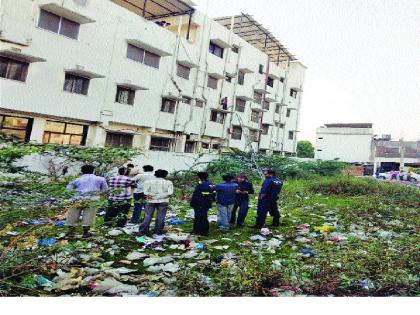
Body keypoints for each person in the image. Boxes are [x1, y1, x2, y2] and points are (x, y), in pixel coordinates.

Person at [65, 165, 108, 238]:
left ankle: (71, 232)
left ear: (82, 171)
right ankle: (86, 232)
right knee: (89, 215)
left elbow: (68, 190)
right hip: (92, 199)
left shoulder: (76, 179)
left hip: (77, 198)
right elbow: (105, 190)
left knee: (73, 214)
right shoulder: (100, 179)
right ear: (93, 170)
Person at [138, 169, 174, 236]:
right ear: (165, 175)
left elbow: (145, 192)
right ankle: (157, 232)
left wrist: (154, 196)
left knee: (147, 216)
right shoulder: (169, 182)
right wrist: (160, 196)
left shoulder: (148, 182)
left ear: (155, 174)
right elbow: (170, 193)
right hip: (163, 201)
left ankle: (143, 231)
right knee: (161, 217)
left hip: (151, 200)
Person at [190, 172, 215, 236]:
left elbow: (206, 193)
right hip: (203, 203)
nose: (196, 177)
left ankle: (202, 232)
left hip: (201, 203)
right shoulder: (209, 183)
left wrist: (203, 194)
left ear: (199, 177)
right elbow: (212, 193)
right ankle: (197, 230)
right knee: (200, 217)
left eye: (197, 176)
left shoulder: (204, 184)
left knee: (201, 217)